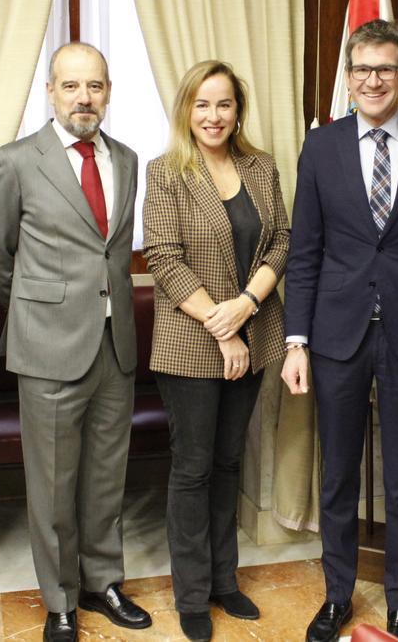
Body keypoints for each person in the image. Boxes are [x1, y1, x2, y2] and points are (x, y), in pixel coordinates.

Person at [281, 18, 398, 642]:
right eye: (362, 69)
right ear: (349, 77)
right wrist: (296, 341)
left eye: (385, 69)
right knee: (336, 474)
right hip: (336, 335)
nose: (373, 80)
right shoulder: (322, 146)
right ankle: (337, 597)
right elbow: (305, 252)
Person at [0, 41, 150, 642]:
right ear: (50, 90)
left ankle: (103, 583)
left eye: (95, 86)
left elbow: (114, 253)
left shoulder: (126, 159)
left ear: (107, 92)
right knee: (51, 484)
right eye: (71, 85)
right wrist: (37, 310)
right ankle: (60, 602)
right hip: (48, 346)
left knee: (106, 475)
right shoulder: (17, 160)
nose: (84, 97)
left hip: (116, 345)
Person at [142, 60, 290, 642]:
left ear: (238, 110)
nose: (213, 115)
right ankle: (192, 593)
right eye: (202, 104)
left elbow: (281, 240)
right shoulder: (166, 172)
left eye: (223, 104)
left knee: (231, 463)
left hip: (251, 336)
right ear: (187, 109)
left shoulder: (261, 167)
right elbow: (162, 256)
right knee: (193, 467)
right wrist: (221, 325)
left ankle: (225, 579)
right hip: (190, 345)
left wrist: (248, 307)